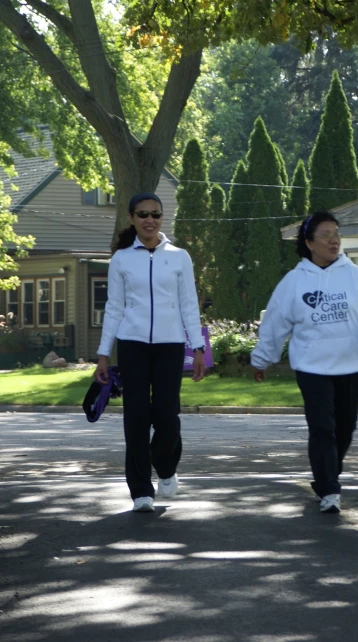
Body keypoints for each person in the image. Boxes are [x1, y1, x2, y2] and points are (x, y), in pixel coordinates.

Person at [250, 211, 358, 514]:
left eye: (336, 233)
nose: (334, 240)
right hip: (312, 368)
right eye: (326, 235)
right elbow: (276, 323)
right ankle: (329, 487)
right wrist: (262, 358)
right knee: (322, 429)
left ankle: (326, 475)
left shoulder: (353, 274)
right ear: (309, 243)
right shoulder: (294, 282)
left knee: (345, 428)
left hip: (352, 366)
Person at [94, 192, 206, 513]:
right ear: (131, 218)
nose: (149, 220)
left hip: (171, 345)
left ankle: (167, 469)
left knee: (167, 418)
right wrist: (104, 354)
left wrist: (197, 347)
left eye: (155, 214)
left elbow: (189, 305)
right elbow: (114, 308)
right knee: (137, 418)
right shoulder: (121, 259)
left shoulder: (179, 256)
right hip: (133, 345)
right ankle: (141, 490)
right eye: (142, 214)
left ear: (162, 217)